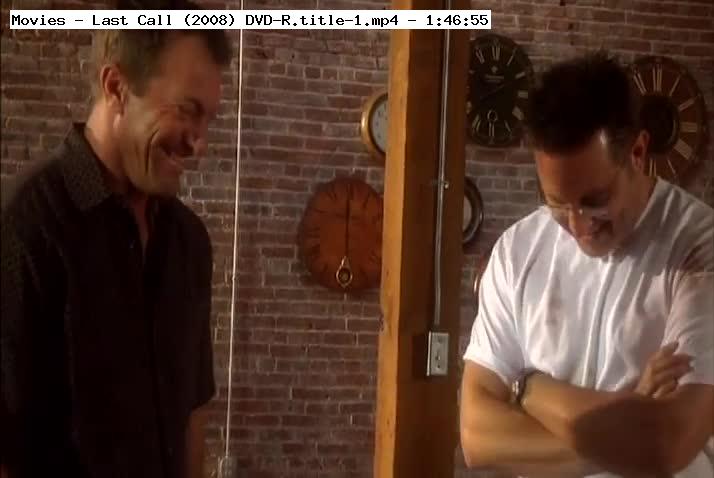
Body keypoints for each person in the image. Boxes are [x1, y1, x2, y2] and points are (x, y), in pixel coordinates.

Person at [0, 3, 233, 477]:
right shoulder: (25, 223)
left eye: (208, 119)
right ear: (116, 87)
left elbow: (192, 411)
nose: (200, 142)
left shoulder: (189, 241)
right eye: (187, 111)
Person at [459, 51, 713, 478]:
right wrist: (628, 415)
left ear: (637, 152)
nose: (578, 227)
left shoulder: (699, 247)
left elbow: (667, 443)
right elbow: (477, 436)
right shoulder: (516, 251)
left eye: (595, 201)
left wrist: (530, 389)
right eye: (557, 203)